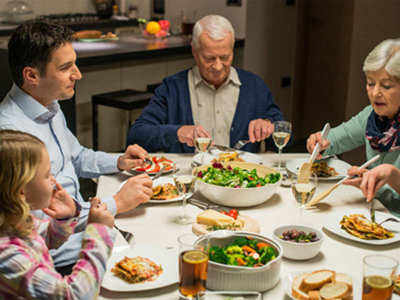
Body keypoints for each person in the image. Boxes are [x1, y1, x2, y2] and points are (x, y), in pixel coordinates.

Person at [0, 21, 152, 272]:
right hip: (62, 257)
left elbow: (77, 157)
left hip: (83, 226)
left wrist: (119, 162)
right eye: (65, 67)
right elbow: (36, 223)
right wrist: (115, 202)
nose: (78, 74)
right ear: (31, 76)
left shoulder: (49, 104)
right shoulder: (11, 135)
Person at [127, 15, 283, 153]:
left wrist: (269, 125)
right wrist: (177, 132)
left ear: (233, 51)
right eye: (209, 58)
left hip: (240, 181)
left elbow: (282, 131)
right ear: (194, 52)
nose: (217, 66)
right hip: (187, 178)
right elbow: (137, 135)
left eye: (224, 57)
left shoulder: (254, 86)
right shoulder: (172, 88)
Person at [0, 130, 115, 299]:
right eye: (47, 175)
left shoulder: (16, 220)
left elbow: (45, 239)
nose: (54, 181)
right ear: (21, 191)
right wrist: (98, 232)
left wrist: (63, 219)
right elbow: (75, 295)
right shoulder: (8, 257)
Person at [306, 38, 400, 216]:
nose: (375, 93)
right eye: (371, 83)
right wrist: (319, 143)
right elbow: (335, 139)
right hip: (376, 215)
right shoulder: (372, 116)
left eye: (386, 86)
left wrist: (394, 177)